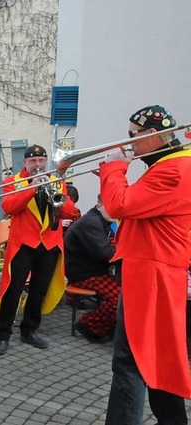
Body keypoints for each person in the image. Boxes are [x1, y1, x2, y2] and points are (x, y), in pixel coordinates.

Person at [101, 105, 191, 424]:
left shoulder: (174, 169)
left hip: (152, 273)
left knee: (129, 359)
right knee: (155, 356)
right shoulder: (170, 164)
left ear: (152, 136)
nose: (129, 144)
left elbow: (119, 205)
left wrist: (114, 171)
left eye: (132, 136)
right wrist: (112, 177)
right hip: (152, 270)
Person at [0, 144, 76, 356]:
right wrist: (31, 187)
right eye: (33, 162)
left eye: (41, 161)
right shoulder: (13, 182)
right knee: (14, 289)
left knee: (39, 290)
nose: (38, 165)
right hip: (23, 244)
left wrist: (56, 192)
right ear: (25, 163)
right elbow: (8, 207)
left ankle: (29, 330)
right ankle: (3, 334)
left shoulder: (56, 180)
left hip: (49, 244)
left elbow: (69, 212)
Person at [64, 194, 119, 342]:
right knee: (121, 299)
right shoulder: (91, 223)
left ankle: (110, 326)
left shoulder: (100, 220)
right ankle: (88, 325)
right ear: (99, 206)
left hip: (96, 271)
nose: (116, 212)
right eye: (112, 208)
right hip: (85, 274)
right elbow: (107, 252)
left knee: (130, 292)